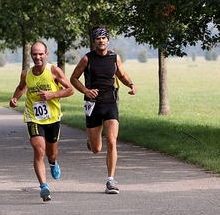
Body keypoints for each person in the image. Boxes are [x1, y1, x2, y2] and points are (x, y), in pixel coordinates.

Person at [70, 25, 137, 194]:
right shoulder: (87, 59)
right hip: (93, 105)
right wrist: (85, 90)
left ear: (108, 40)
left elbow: (121, 74)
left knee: (112, 141)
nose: (101, 41)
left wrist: (130, 84)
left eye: (103, 38)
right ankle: (91, 140)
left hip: (110, 103)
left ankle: (110, 180)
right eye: (98, 38)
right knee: (96, 149)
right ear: (94, 41)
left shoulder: (115, 58)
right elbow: (74, 78)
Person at [9, 41, 74, 202]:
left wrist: (52, 95)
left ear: (46, 55)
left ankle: (53, 162)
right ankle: (44, 186)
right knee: (39, 150)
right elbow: (21, 86)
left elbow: (70, 90)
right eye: (34, 54)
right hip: (34, 117)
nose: (37, 57)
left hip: (52, 117)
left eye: (40, 54)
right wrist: (15, 98)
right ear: (31, 55)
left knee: (51, 153)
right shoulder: (26, 73)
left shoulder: (53, 70)